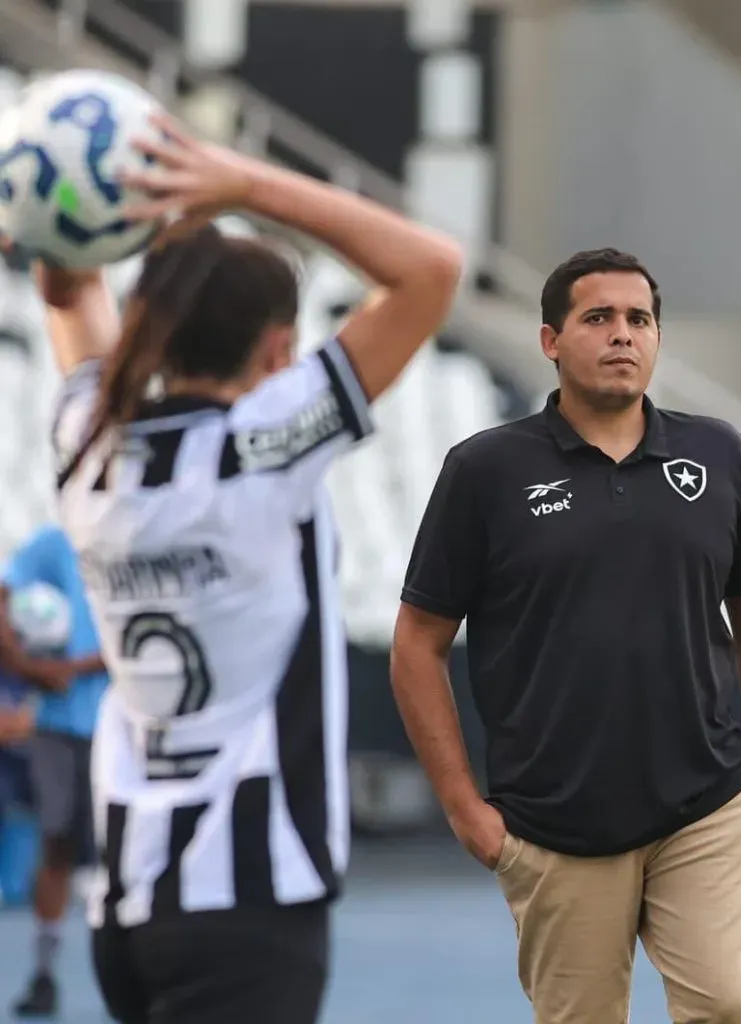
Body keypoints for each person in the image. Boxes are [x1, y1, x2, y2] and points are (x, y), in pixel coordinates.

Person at [35, 113, 462, 1024]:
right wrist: (244, 183)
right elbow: (432, 270)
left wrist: (58, 229)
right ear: (277, 351)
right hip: (249, 899)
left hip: (131, 899)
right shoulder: (261, 448)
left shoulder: (91, 445)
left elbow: (68, 299)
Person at [390, 247, 741, 1024]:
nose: (622, 335)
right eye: (598, 318)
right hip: (554, 821)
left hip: (708, 801)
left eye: (638, 319)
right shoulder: (485, 470)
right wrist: (463, 809)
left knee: (729, 1004)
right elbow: (417, 642)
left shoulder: (717, 453)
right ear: (550, 340)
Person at [0, 528, 108, 1017]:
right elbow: (4, 595)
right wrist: (24, 663)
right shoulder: (53, 543)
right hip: (58, 725)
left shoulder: (148, 538)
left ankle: (142, 971)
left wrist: (83, 667)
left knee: (130, 854)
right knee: (57, 843)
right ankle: (44, 973)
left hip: (124, 723)